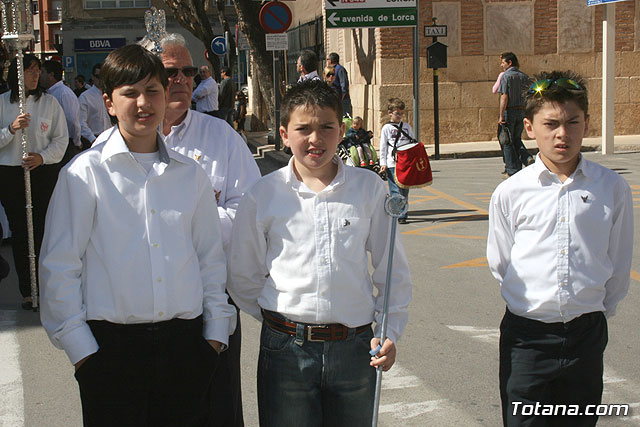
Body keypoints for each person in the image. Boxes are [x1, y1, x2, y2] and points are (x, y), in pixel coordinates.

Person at [39, 44, 236, 426]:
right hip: (110, 351)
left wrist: (213, 338)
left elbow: (209, 259)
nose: (143, 103)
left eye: (153, 91)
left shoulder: (190, 175)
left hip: (187, 347)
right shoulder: (84, 175)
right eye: (129, 93)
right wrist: (84, 354)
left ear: (166, 96)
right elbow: (60, 267)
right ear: (109, 102)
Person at [227, 79, 412, 427]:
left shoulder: (368, 188)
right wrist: (282, 319)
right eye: (303, 129)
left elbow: (392, 270)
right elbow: (243, 275)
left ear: (341, 130)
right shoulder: (263, 195)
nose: (315, 139)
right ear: (284, 134)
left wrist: (389, 331)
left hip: (356, 348)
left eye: (326, 127)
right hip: (286, 351)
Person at [487, 71, 634, 427]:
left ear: (586, 123)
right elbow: (501, 261)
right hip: (528, 339)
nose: (562, 134)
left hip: (586, 334)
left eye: (572, 122)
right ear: (529, 127)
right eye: (550, 123)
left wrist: (592, 309)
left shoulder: (611, 188)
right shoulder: (512, 192)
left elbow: (618, 261)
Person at [158, 34, 260, 427]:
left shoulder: (222, 138)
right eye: (171, 72)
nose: (181, 80)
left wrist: (184, 221)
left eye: (189, 71)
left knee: (217, 407)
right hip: (147, 306)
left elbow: (248, 214)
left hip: (212, 298)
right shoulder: (115, 146)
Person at [0, 54, 68, 311]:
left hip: (41, 172)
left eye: (37, 70)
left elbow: (60, 140)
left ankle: (46, 287)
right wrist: (11, 129)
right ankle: (28, 291)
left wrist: (43, 157)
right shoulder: (2, 103)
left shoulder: (50, 103)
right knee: (20, 232)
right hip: (10, 173)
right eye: (29, 71)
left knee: (43, 229)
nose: (35, 75)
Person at [497, 52, 534, 176]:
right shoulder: (525, 77)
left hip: (510, 111)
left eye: (503, 62)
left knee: (506, 140)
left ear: (510, 62)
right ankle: (526, 157)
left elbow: (504, 96)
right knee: (516, 138)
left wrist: (501, 115)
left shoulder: (506, 76)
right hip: (522, 111)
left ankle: (512, 170)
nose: (502, 65)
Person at [40, 59, 82, 162]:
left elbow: (71, 120)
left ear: (51, 75)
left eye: (42, 72)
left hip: (66, 144)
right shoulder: (47, 93)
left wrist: (76, 142)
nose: (39, 76)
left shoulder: (64, 93)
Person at [379, 98, 414, 224]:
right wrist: (383, 163)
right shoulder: (386, 128)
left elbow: (412, 143)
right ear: (390, 113)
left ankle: (402, 211)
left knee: (404, 189)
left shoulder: (406, 127)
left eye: (401, 114)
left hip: (405, 164)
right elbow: (383, 147)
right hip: (392, 163)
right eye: (397, 113)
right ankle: (399, 214)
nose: (399, 116)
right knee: (395, 189)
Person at [78, 63, 111, 149]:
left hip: (110, 139)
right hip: (92, 141)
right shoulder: (85, 97)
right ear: (92, 77)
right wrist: (92, 139)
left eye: (103, 76)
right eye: (98, 76)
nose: (101, 79)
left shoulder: (112, 95)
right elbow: (81, 122)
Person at [327, 52, 351, 116]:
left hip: (342, 98)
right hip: (335, 98)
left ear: (331, 60)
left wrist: (343, 94)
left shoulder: (340, 69)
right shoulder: (331, 69)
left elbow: (344, 83)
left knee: (345, 117)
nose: (327, 61)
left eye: (327, 59)